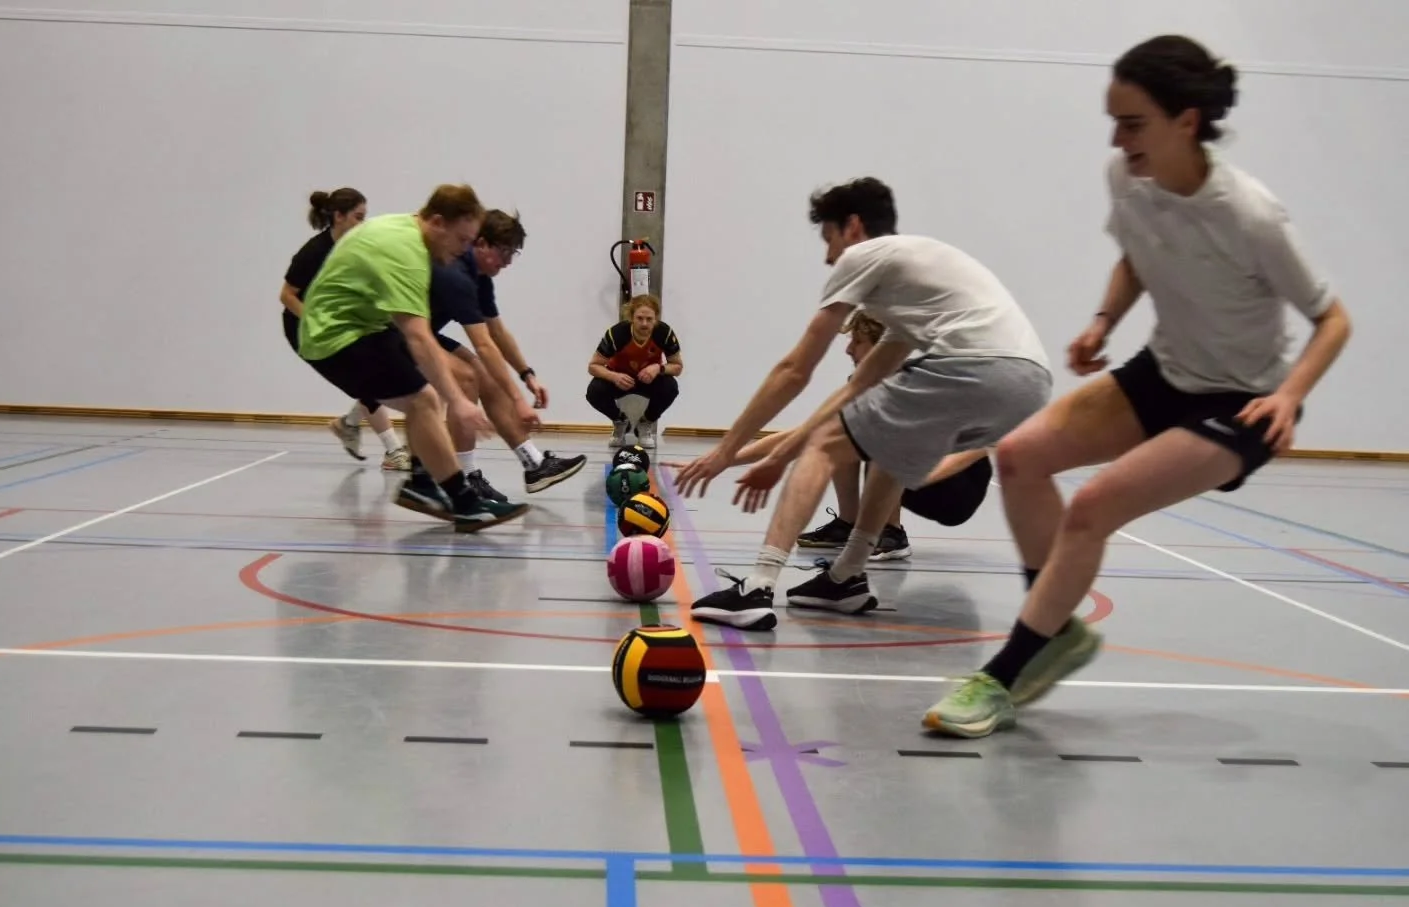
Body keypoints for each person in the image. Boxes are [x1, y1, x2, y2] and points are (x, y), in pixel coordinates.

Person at [921, 35, 1354, 738]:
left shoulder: (1250, 215)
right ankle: (1055, 631)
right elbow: (1136, 255)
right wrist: (1103, 320)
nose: (1117, 141)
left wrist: (1288, 395)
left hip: (1241, 401)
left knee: (1092, 507)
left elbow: (1332, 319)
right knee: (1020, 456)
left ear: (1186, 121)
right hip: (1163, 370)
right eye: (1114, 123)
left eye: (1132, 124)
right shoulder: (1128, 178)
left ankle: (1004, 674)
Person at [675, 177, 1052, 629]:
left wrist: (726, 450)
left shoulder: (866, 255)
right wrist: (777, 454)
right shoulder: (915, 286)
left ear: (852, 227)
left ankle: (757, 585)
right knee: (889, 446)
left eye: (828, 239)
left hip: (977, 366)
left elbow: (795, 369)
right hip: (1029, 384)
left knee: (824, 447)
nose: (828, 257)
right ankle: (846, 577)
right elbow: (855, 390)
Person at [296, 184, 528, 532]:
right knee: (425, 399)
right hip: (334, 336)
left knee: (426, 396)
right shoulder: (407, 254)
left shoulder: (409, 232)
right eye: (462, 240)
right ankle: (463, 502)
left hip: (365, 326)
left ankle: (422, 483)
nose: (464, 250)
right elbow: (418, 337)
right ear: (438, 222)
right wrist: (459, 403)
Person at [796, 309, 993, 562]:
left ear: (882, 346)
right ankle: (848, 523)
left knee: (885, 434)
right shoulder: (864, 384)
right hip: (908, 476)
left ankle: (892, 534)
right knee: (843, 431)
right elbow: (818, 431)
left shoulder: (925, 383)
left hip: (957, 489)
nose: (848, 350)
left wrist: (920, 476)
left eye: (857, 341)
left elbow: (983, 443)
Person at [423, 214, 587, 500]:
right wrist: (518, 400)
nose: (508, 261)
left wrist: (527, 375)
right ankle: (463, 479)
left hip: (424, 332)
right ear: (481, 244)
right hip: (394, 333)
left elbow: (497, 332)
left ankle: (534, 463)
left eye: (513, 253)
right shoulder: (456, 273)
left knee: (486, 376)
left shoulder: (481, 279)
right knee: (467, 377)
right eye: (504, 252)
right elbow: (484, 345)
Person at [278, 187, 409, 471]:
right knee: (367, 378)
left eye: (365, 217)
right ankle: (393, 450)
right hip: (307, 329)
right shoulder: (313, 253)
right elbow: (287, 295)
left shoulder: (358, 248)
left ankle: (348, 424)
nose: (363, 224)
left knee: (385, 368)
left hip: (347, 322)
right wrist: (315, 320)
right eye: (358, 217)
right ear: (338, 216)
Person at [586, 293, 683, 448]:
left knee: (670, 387)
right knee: (594, 391)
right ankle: (620, 422)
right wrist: (614, 376)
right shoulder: (616, 334)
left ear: (656, 318)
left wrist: (658, 368)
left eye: (649, 319)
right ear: (631, 317)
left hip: (648, 380)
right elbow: (593, 366)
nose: (644, 324)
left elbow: (677, 367)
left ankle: (645, 423)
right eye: (639, 318)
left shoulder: (664, 333)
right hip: (620, 379)